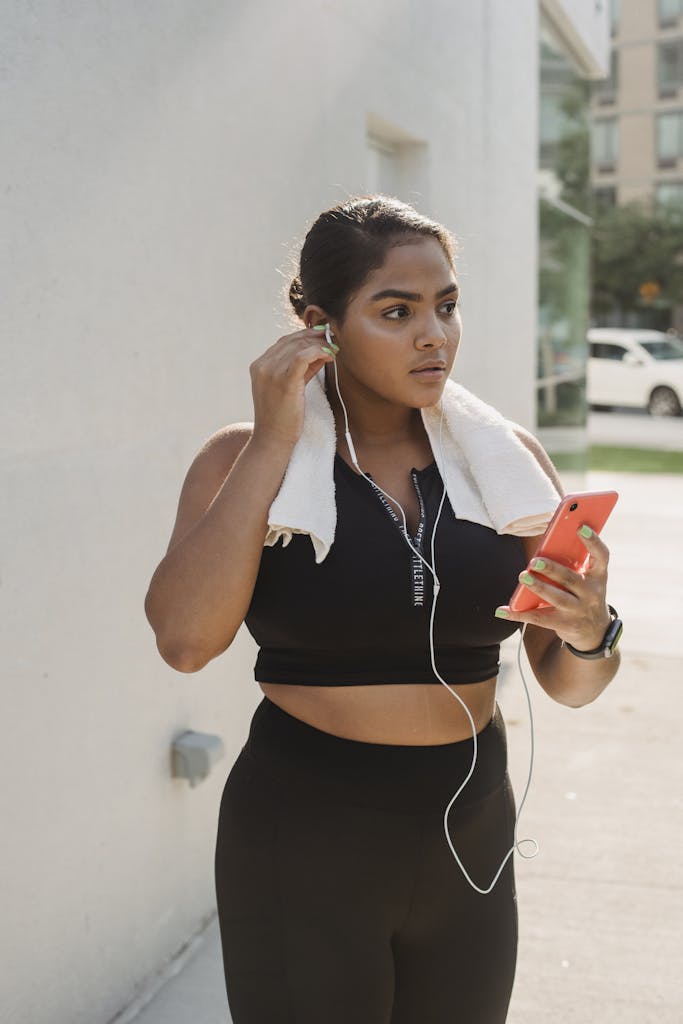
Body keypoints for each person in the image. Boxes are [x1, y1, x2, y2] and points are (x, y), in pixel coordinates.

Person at [144, 196, 621, 1023]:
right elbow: (186, 642)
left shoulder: (505, 465)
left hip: (468, 828)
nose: (433, 334)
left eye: (445, 305)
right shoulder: (242, 458)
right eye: (395, 311)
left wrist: (590, 634)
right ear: (320, 326)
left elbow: (568, 683)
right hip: (305, 828)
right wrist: (270, 441)